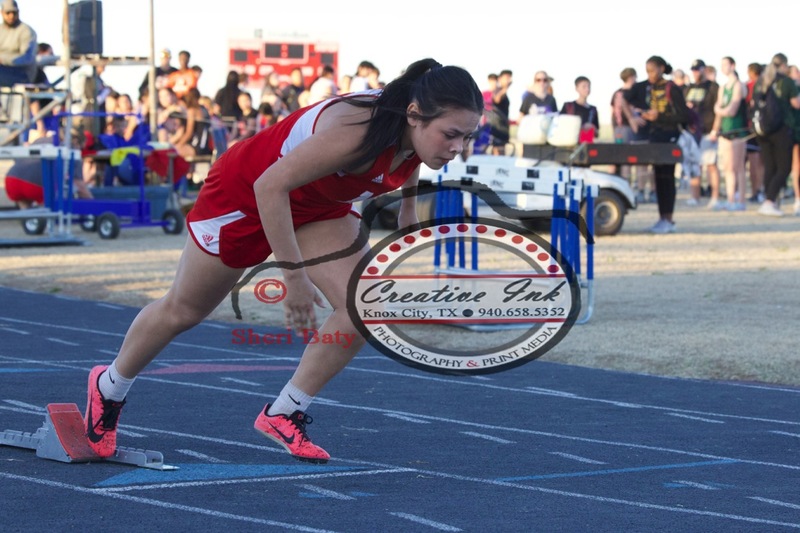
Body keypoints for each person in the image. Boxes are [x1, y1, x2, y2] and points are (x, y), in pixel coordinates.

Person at [80, 58, 482, 463]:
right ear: (414, 114)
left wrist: (409, 210)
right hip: (247, 195)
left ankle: (285, 411)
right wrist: (294, 277)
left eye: (467, 138)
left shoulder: (412, 123)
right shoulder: (355, 132)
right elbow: (270, 186)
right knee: (184, 309)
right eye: (451, 136)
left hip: (318, 204)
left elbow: (411, 154)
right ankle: (109, 386)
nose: (458, 149)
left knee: (365, 305)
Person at [625, 55, 690, 234]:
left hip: (670, 138)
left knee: (667, 178)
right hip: (655, 136)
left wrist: (659, 116)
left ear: (661, 68)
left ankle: (668, 219)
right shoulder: (646, 87)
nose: (650, 75)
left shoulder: (672, 88)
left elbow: (684, 115)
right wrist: (635, 116)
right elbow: (623, 96)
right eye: (647, 71)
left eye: (653, 70)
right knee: (659, 177)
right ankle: (662, 218)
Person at [752, 53, 800, 217]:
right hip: (781, 129)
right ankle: (770, 201)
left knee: (770, 167)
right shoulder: (786, 82)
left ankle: (769, 201)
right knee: (784, 168)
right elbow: (796, 103)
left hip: (763, 129)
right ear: (784, 65)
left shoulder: (761, 81)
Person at [5, 132, 93, 208]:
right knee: (54, 194)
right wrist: (94, 205)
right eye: (81, 147)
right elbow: (79, 185)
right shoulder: (72, 149)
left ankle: (30, 219)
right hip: (36, 187)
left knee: (26, 207)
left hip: (12, 180)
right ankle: (44, 219)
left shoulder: (40, 140)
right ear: (76, 142)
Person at [710, 57, 748, 212]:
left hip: (737, 131)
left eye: (725, 65)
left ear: (732, 66)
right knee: (727, 167)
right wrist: (715, 129)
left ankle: (740, 200)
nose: (723, 68)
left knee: (737, 167)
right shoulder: (723, 87)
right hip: (725, 131)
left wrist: (719, 109)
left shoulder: (738, 86)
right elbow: (719, 111)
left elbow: (731, 109)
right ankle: (730, 198)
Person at [611, 67, 654, 199]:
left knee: (628, 162)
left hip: (620, 130)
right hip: (632, 130)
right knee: (640, 162)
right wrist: (632, 118)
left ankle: (628, 190)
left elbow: (612, 112)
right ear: (631, 77)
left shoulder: (616, 93)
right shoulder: (634, 91)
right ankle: (639, 190)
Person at [684, 59, 720, 208]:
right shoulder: (689, 88)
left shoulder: (713, 87)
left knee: (711, 164)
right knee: (694, 165)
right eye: (693, 70)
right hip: (692, 132)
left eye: (697, 70)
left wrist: (715, 130)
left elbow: (718, 110)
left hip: (707, 130)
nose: (695, 73)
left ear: (704, 70)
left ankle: (715, 197)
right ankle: (695, 196)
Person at [0, 0, 36, 87]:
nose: (11, 16)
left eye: (14, 12)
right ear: (2, 13)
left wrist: (3, 60)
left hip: (22, 75)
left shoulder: (26, 31)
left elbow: (27, 58)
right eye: (8, 13)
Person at [171, 87, 211, 160]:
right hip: (206, 146)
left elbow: (189, 133)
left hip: (197, 146)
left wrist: (179, 145)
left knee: (172, 152)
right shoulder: (203, 109)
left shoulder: (192, 111)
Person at [744, 62, 764, 203]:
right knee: (761, 163)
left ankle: (756, 190)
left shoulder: (750, 86)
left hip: (752, 127)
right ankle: (759, 190)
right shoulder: (766, 85)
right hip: (764, 128)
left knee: (754, 162)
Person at [560, 76, 599, 143]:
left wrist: (593, 128)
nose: (587, 89)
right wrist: (582, 127)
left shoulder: (592, 109)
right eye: (584, 87)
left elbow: (597, 133)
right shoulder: (568, 106)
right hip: (569, 144)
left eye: (588, 86)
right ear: (577, 88)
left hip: (586, 143)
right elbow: (561, 126)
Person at [487, 69, 511, 155]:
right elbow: (497, 99)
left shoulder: (502, 91)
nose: (509, 80)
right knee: (498, 153)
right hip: (497, 128)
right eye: (507, 78)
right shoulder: (498, 90)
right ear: (500, 79)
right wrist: (506, 87)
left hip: (503, 127)